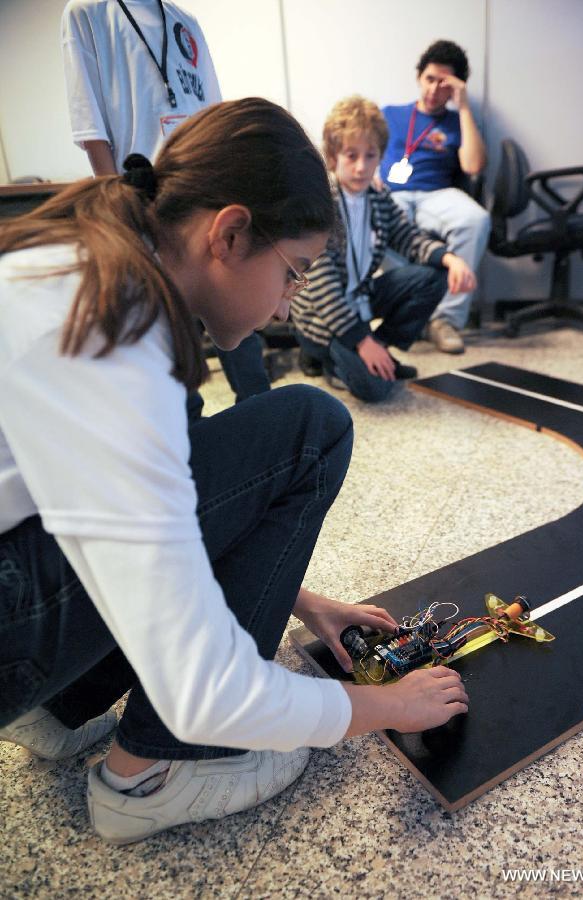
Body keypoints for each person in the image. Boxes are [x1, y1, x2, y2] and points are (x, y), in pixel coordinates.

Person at [0, 98, 469, 844]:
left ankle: (58, 704)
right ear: (229, 233)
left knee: (279, 430)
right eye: (293, 272)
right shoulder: (117, 340)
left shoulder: (100, 266)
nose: (288, 301)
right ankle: (150, 774)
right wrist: (385, 708)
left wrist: (302, 602)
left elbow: (155, 511)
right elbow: (205, 690)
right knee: (312, 428)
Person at [61, 0, 269, 403]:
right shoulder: (86, 13)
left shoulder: (184, 22)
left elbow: (215, 117)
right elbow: (91, 126)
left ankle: (258, 406)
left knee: (232, 308)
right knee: (167, 333)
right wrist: (118, 211)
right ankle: (184, 424)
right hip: (140, 199)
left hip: (203, 191)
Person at [292, 96, 476, 404]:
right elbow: (323, 287)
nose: (361, 167)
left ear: (380, 158)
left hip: (358, 300)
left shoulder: (377, 196)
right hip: (325, 318)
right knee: (375, 391)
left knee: (435, 275)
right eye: (351, 155)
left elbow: (407, 236)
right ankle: (328, 356)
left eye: (370, 155)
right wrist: (360, 341)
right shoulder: (322, 202)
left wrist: (450, 257)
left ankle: (379, 352)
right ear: (333, 155)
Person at [380, 40, 490, 354]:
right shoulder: (389, 114)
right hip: (392, 193)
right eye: (429, 79)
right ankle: (410, 310)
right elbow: (362, 147)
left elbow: (473, 165)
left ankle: (446, 320)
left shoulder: (459, 122)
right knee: (373, 220)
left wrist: (464, 105)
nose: (433, 90)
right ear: (418, 77)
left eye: (444, 84)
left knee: (475, 219)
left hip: (435, 194)